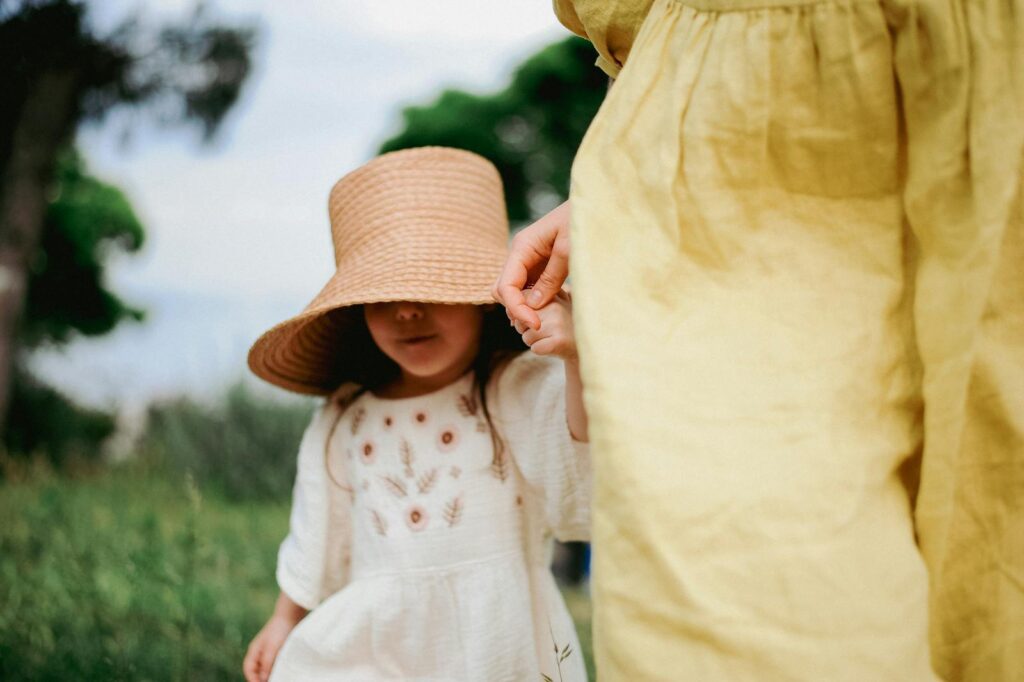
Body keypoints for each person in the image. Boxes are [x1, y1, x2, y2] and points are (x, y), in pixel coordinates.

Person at [494, 0, 1023, 680]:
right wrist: (651, 157)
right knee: (752, 584)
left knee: (996, 548)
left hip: (982, 98)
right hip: (736, 151)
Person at [243, 147, 591, 682]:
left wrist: (576, 358)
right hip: (377, 645)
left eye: (431, 288)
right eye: (383, 296)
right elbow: (318, 531)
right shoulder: (345, 416)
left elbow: (577, 478)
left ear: (482, 298)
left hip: (498, 641)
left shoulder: (509, 388)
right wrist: (284, 619)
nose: (407, 311)